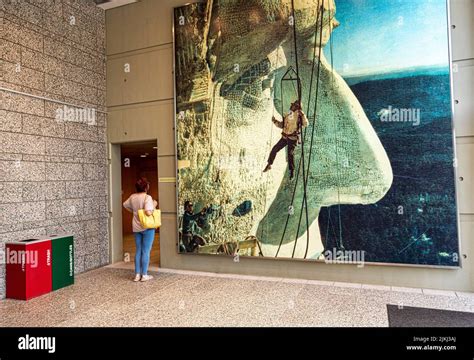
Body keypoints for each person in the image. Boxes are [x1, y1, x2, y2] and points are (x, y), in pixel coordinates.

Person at [123, 177, 158, 282]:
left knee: (138, 250)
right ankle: (144, 275)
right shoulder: (147, 198)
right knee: (146, 251)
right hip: (147, 227)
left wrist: (135, 212)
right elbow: (148, 212)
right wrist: (154, 204)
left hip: (136, 227)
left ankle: (137, 275)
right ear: (146, 187)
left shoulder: (132, 197)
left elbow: (125, 205)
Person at [263, 100, 309, 180]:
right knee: (275, 149)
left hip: (292, 138)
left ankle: (292, 171)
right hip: (285, 137)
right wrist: (275, 121)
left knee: (290, 154)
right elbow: (283, 125)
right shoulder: (290, 114)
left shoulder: (299, 116)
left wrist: (303, 115)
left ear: (296, 107)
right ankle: (269, 164)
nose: (291, 106)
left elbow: (306, 124)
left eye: (293, 105)